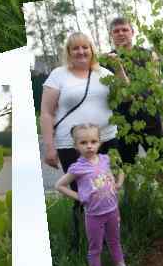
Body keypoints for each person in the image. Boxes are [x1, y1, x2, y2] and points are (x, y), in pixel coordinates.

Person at [55, 123, 137, 266]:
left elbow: (121, 169)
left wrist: (119, 183)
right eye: (83, 142)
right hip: (94, 215)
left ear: (100, 142)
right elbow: (59, 185)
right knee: (95, 247)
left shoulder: (106, 159)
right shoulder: (77, 168)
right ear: (75, 145)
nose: (89, 146)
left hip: (113, 211)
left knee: (115, 241)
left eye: (93, 141)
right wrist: (80, 197)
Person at [40, 32, 118, 172]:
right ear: (68, 52)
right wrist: (50, 147)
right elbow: (46, 113)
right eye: (75, 48)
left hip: (106, 140)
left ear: (91, 50)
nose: (81, 52)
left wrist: (119, 67)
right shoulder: (58, 75)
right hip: (71, 145)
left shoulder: (104, 74)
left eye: (85, 47)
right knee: (80, 189)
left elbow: (126, 97)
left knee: (107, 188)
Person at [105, 17, 163, 164]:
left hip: (150, 119)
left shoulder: (148, 55)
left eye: (125, 29)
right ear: (111, 35)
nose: (121, 33)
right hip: (122, 124)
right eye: (116, 31)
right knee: (127, 170)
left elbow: (160, 88)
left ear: (132, 32)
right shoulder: (106, 62)